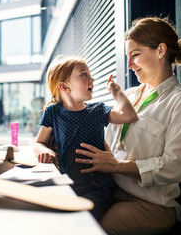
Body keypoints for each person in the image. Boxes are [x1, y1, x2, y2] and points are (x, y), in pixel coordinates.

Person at [75, 17, 181, 234]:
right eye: (128, 57)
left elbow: (172, 168)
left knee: (93, 230)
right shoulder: (129, 96)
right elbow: (111, 146)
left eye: (135, 55)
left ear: (161, 50)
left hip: (150, 204)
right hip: (109, 189)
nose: (129, 65)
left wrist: (116, 165)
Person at [33, 56, 138, 221]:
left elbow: (129, 116)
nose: (92, 79)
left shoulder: (98, 110)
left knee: (80, 223)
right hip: (66, 185)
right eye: (84, 75)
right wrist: (45, 151)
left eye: (90, 75)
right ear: (64, 86)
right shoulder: (53, 112)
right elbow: (39, 142)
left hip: (97, 187)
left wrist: (116, 92)